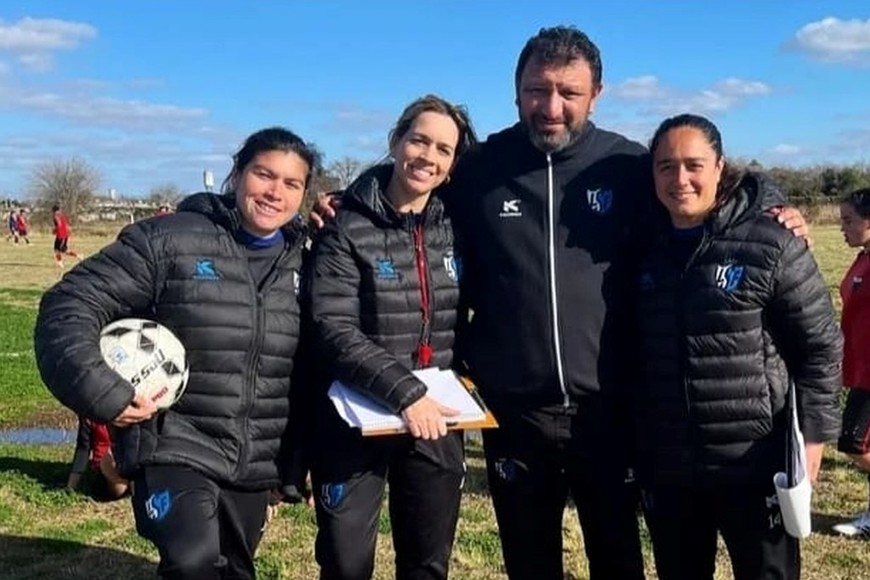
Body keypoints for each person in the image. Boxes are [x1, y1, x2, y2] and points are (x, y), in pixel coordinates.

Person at [312, 25, 811, 580]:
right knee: (530, 562)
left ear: (595, 94)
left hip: (611, 410)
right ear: (516, 90)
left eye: (568, 93)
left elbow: (705, 183)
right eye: (536, 90)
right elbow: (412, 176)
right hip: (514, 411)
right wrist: (343, 201)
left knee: (618, 558)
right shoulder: (481, 168)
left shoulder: (626, 166)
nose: (551, 106)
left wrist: (774, 200)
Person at [34, 126, 316, 580]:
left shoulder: (309, 260)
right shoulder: (170, 240)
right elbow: (69, 305)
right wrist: (103, 391)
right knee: (193, 562)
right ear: (237, 174)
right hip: (174, 443)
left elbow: (310, 369)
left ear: (305, 193)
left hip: (254, 459)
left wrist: (297, 463)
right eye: (264, 174)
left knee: (235, 571)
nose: (274, 192)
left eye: (291, 183)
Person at [632, 113, 842, 580]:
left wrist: (813, 439)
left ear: (720, 167)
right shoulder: (641, 248)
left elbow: (820, 348)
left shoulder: (770, 241)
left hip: (755, 462)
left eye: (694, 164)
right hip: (671, 464)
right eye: (666, 166)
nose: (680, 179)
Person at [305, 94, 478, 580]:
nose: (428, 156)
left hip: (436, 420)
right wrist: (406, 393)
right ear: (396, 141)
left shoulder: (458, 226)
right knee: (345, 561)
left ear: (452, 164)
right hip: (355, 414)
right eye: (419, 140)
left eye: (443, 149)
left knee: (427, 563)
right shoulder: (344, 225)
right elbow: (332, 327)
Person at [832, 187, 870, 538]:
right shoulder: (862, 259)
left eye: (849, 220)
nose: (842, 227)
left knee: (853, 442)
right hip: (858, 369)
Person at [66, 415, 129, 500]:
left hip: (130, 464)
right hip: (104, 469)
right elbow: (83, 449)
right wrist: (71, 487)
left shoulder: (131, 410)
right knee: (112, 458)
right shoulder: (89, 413)